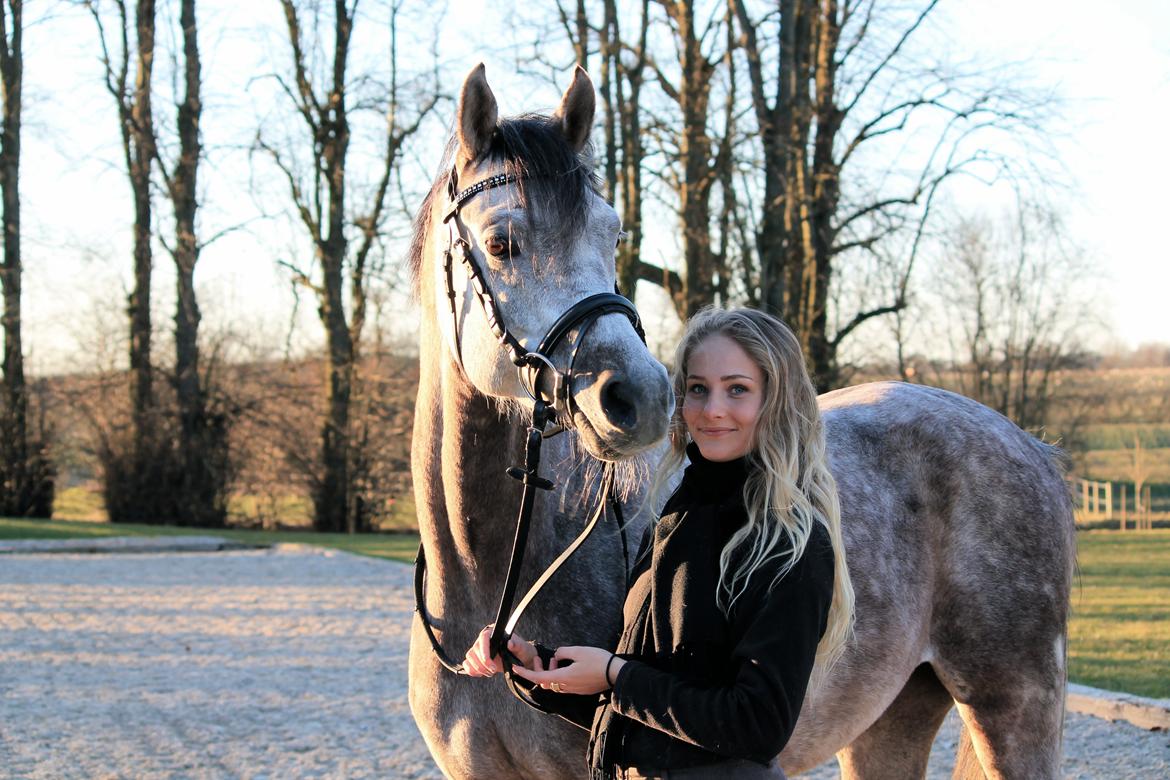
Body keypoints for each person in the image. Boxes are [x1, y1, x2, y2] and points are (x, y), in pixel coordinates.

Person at [464, 307, 855, 779]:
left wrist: (615, 674)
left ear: (777, 400)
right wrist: (538, 669)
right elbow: (651, 707)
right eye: (697, 388)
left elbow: (758, 725)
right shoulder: (679, 514)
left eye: (737, 389)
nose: (712, 409)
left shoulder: (788, 540)